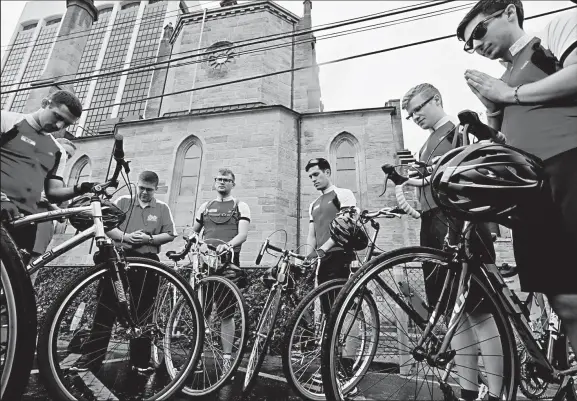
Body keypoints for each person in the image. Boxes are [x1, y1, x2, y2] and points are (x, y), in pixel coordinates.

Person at [457, 0, 577, 359]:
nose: (476, 45)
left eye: (478, 31)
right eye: (469, 44)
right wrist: (490, 112)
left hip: (569, 163)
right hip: (528, 185)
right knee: (563, 297)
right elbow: (501, 142)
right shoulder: (501, 80)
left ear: (510, 11)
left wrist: (507, 95)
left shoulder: (552, 35)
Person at [402, 83, 503, 401]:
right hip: (432, 228)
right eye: (410, 113)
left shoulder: (459, 131)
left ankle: (499, 392)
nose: (415, 115)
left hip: (463, 224)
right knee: (454, 315)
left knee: (481, 313)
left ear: (437, 99)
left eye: (419, 108)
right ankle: (468, 392)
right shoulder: (423, 147)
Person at [71, 170, 177, 373]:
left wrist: (150, 240)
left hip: (147, 262)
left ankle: (140, 361)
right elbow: (105, 225)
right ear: (137, 185)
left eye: (149, 190)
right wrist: (126, 237)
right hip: (119, 260)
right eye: (141, 188)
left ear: (156, 189)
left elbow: (170, 233)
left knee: (143, 312)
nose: (144, 193)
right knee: (106, 307)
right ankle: (91, 359)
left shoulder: (162, 208)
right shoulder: (122, 201)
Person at [1, 90, 94, 259]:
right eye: (57, 116)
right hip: (2, 208)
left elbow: (54, 192)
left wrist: (81, 188)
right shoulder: (6, 121)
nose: (59, 126)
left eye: (66, 124)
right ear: (45, 103)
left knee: (14, 283)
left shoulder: (58, 151)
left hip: (25, 221)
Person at [302, 158, 360, 394]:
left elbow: (347, 225)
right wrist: (308, 258)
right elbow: (311, 235)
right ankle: (332, 367)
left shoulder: (343, 194)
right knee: (328, 314)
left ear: (327, 172)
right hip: (322, 262)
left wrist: (324, 248)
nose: (314, 179)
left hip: (342, 255)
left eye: (316, 174)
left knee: (346, 312)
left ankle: (347, 371)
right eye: (310, 177)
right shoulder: (313, 204)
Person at [190, 168, 250, 375]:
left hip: (228, 265)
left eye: (226, 180)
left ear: (233, 183)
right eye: (219, 179)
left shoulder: (240, 205)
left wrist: (228, 245)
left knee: (227, 314)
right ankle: (195, 358)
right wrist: (199, 243)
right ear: (214, 182)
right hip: (205, 265)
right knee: (201, 311)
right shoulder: (205, 206)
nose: (222, 182)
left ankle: (226, 362)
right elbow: (193, 233)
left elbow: (242, 234)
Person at [30, 138, 77, 285]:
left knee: (27, 279)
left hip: (40, 237)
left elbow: (63, 216)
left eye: (69, 156)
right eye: (63, 152)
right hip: (19, 229)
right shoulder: (31, 170)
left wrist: (48, 204)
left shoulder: (60, 185)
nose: (65, 157)